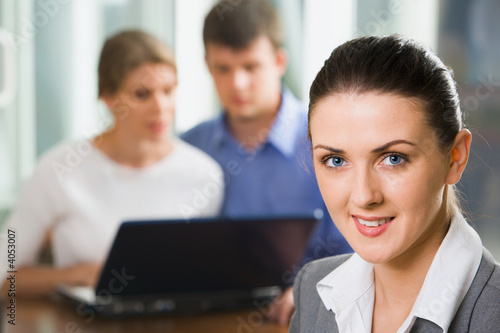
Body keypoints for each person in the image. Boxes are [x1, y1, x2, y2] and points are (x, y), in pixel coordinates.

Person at [290, 34, 500, 332]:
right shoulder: (313, 290)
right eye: (336, 160)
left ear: (455, 157)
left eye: (393, 158)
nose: (364, 196)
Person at [0, 30, 224, 297]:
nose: (161, 106)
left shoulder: (204, 175)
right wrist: (78, 275)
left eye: (168, 90)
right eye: (142, 94)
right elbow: (4, 276)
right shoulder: (57, 169)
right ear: (108, 98)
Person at [181, 0, 351, 324]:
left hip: (309, 318)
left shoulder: (330, 142)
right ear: (206, 64)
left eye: (250, 67)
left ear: (279, 61)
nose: (237, 84)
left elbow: (365, 250)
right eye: (223, 69)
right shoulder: (188, 148)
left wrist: (312, 287)